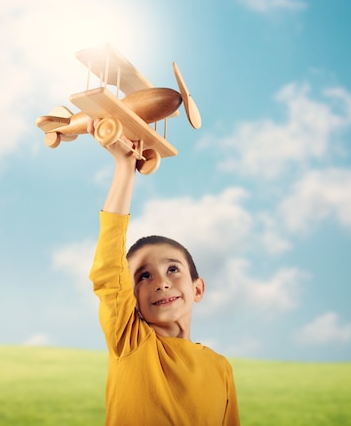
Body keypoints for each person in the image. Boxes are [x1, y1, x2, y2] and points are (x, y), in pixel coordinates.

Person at [88, 121, 241, 425]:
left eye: (173, 269)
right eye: (143, 276)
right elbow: (108, 267)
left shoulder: (220, 368)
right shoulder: (130, 341)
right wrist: (125, 166)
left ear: (198, 289)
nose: (161, 282)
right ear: (130, 298)